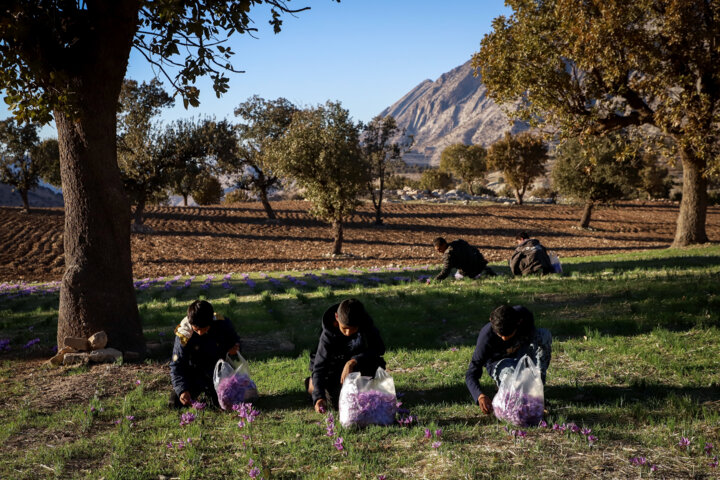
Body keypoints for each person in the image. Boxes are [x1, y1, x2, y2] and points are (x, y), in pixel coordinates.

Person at [465, 305, 552, 414]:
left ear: (519, 322)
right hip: (501, 363)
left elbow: (533, 338)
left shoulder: (524, 316)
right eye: (500, 335)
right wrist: (480, 396)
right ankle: (517, 393)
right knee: (512, 375)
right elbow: (471, 373)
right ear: (491, 322)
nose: (504, 339)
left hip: (522, 352)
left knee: (544, 335)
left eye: (509, 335)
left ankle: (538, 390)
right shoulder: (486, 338)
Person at [306, 298, 386, 413]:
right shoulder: (328, 333)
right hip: (333, 366)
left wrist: (353, 362)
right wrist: (318, 397)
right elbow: (320, 366)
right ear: (336, 318)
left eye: (353, 329)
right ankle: (312, 385)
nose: (348, 333)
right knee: (337, 404)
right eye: (344, 328)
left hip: (356, 364)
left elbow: (379, 348)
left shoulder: (366, 324)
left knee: (368, 398)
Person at [169, 299, 241, 408]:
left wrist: (233, 349)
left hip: (218, 372)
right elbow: (177, 365)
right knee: (175, 402)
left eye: (204, 328)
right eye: (196, 329)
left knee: (224, 402)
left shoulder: (222, 324)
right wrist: (182, 389)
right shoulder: (184, 334)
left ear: (211, 321)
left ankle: (212, 395)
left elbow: (235, 341)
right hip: (194, 374)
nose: (200, 333)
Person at [429, 237, 495, 282]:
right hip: (480, 262)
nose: (439, 251)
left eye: (439, 249)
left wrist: (435, 280)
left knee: (457, 277)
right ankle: (486, 271)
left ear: (444, 244)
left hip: (470, 270)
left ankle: (481, 274)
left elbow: (446, 270)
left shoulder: (448, 254)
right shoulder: (458, 242)